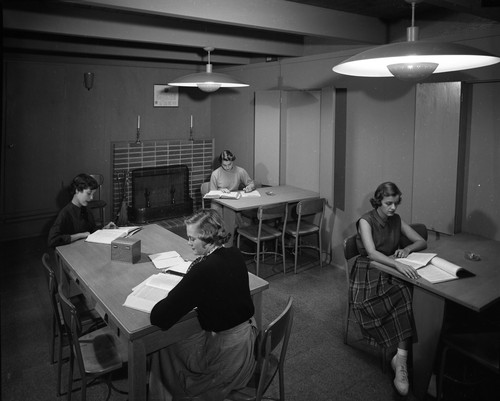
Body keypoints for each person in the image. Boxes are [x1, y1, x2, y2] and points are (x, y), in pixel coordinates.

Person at [149, 209, 257, 401]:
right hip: (247, 340)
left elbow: (159, 317)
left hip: (227, 357)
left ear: (208, 238)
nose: (188, 243)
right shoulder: (235, 253)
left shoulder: (202, 270)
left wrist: (175, 293)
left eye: (192, 239)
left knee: (162, 344)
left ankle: (163, 394)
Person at [350, 182, 427, 396]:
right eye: (388, 204)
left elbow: (421, 241)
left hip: (390, 265)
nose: (393, 208)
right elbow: (372, 253)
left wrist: (407, 248)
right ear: (378, 202)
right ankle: (402, 362)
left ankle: (399, 358)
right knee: (403, 294)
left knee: (409, 290)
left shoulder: (396, 220)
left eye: (395, 203)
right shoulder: (366, 221)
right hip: (369, 271)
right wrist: (397, 264)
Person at [48, 173, 116, 248]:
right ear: (77, 190)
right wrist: (80, 235)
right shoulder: (65, 213)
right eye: (89, 193)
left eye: (93, 194)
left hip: (84, 248)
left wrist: (104, 229)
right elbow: (52, 240)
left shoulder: (86, 209)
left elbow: (91, 231)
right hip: (71, 251)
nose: (91, 198)